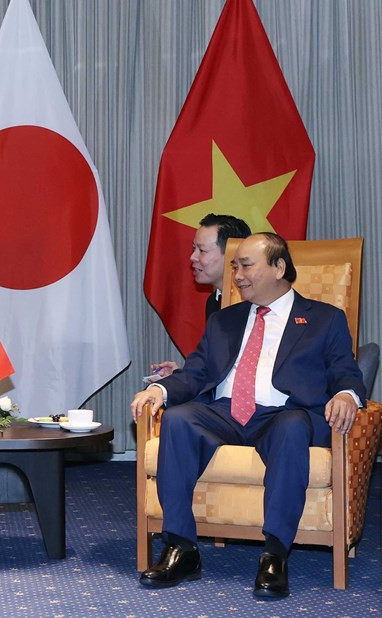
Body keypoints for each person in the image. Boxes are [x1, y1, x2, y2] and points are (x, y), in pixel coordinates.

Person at [130, 233, 365, 599]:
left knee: (291, 427)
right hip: (224, 413)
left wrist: (348, 395)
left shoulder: (324, 319)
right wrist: (159, 390)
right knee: (178, 419)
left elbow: (345, 373)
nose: (237, 274)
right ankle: (181, 548)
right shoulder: (226, 320)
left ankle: (274, 554)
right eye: (235, 265)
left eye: (246, 265)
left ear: (279, 267)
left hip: (285, 413)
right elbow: (196, 373)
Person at [151, 213, 251, 378]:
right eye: (194, 249)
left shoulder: (254, 303)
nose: (193, 257)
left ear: (232, 255)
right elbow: (215, 367)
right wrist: (180, 375)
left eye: (202, 251)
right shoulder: (214, 302)